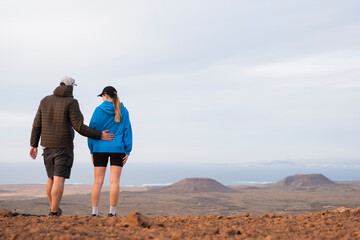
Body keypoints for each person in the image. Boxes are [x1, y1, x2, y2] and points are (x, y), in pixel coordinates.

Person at [29, 76, 115, 217]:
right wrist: (100, 135)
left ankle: (53, 209)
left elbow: (37, 124)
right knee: (58, 179)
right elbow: (79, 127)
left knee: (50, 178)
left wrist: (33, 145)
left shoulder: (44, 100)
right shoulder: (72, 102)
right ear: (71, 86)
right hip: (64, 147)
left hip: (47, 146)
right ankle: (54, 211)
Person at [88, 86, 132, 217]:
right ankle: (112, 213)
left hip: (99, 149)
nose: (102, 98)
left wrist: (92, 150)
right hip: (118, 149)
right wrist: (127, 151)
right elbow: (127, 132)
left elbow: (91, 131)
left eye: (102, 96)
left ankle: (94, 213)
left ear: (106, 95)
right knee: (114, 182)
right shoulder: (124, 111)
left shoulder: (97, 110)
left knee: (97, 182)